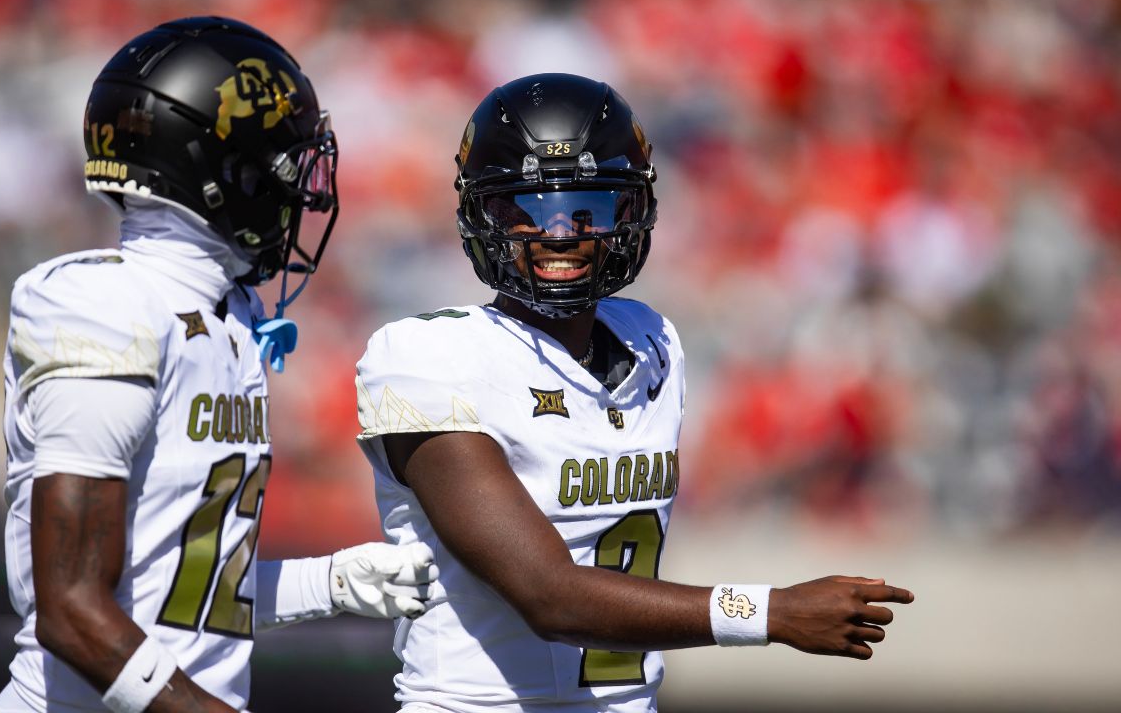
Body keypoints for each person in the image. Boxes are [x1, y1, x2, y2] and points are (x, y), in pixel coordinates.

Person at [354, 73, 915, 712]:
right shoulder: (429, 358)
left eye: (587, 206)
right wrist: (768, 612)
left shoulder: (652, 342)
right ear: (483, 216)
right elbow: (550, 596)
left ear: (630, 210)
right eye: (526, 208)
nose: (560, 233)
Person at [0, 18, 436, 713]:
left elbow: (182, 596)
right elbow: (72, 611)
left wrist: (333, 582)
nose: (301, 195)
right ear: (224, 172)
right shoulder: (107, 303)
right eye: (285, 169)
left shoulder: (231, 319)